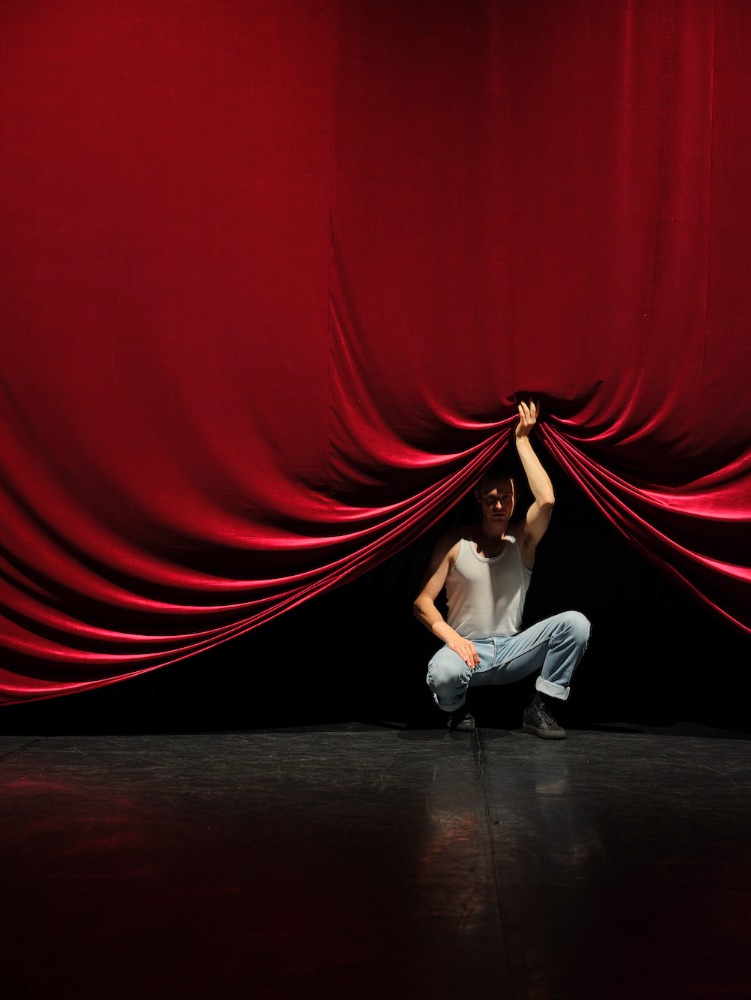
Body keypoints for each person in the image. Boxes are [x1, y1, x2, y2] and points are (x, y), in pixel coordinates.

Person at [413, 400, 590, 739]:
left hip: (513, 651)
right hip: (466, 649)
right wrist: (454, 640)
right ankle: (456, 710)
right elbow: (422, 603)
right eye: (490, 499)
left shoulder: (522, 540)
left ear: (515, 498)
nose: (498, 505)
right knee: (443, 675)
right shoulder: (455, 542)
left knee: (576, 624)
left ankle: (541, 708)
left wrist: (522, 440)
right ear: (478, 499)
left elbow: (547, 501)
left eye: (505, 498)